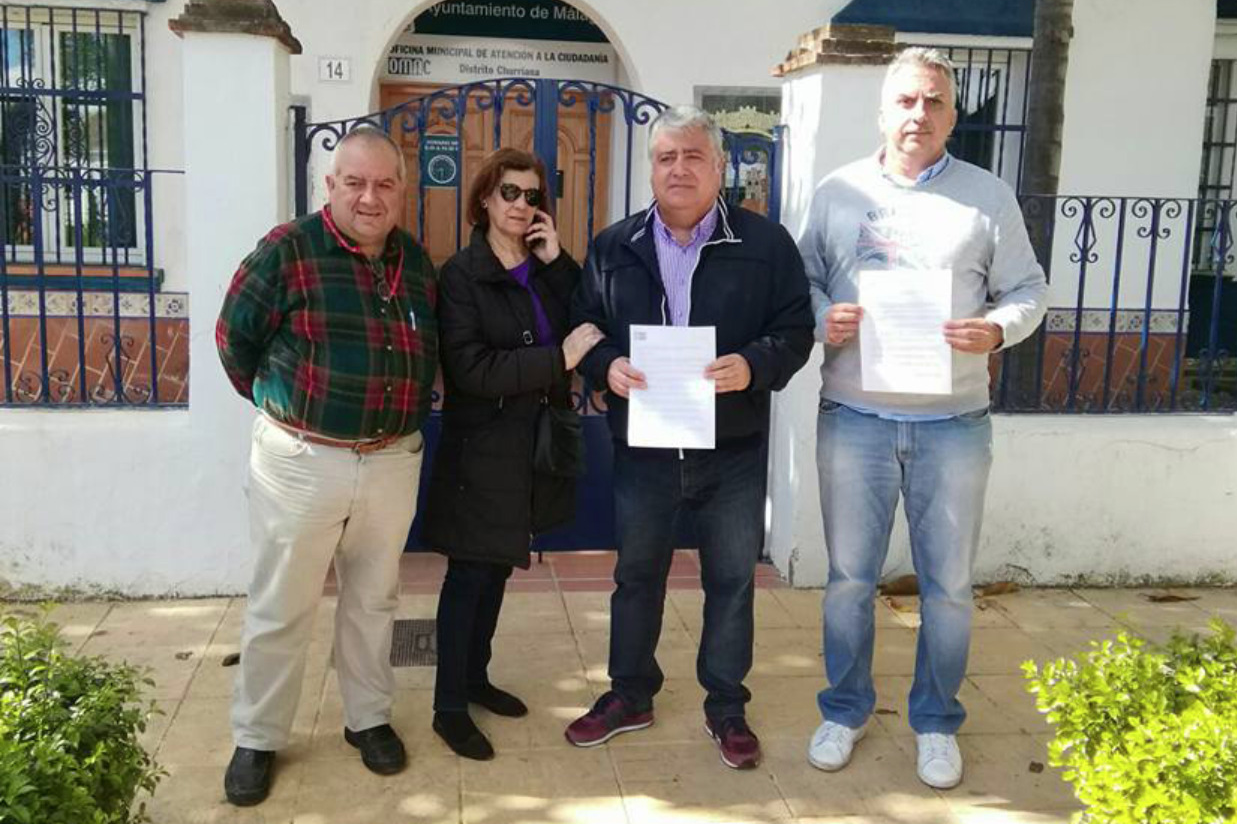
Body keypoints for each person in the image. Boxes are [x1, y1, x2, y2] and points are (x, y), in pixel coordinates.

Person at [797, 47, 1048, 788]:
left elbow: (1029, 290)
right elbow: (803, 278)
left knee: (949, 587)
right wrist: (822, 315)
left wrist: (995, 329)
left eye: (934, 101)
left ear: (952, 114)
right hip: (854, 417)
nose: (919, 114)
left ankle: (936, 722)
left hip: (954, 426)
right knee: (849, 579)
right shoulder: (840, 192)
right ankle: (845, 709)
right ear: (883, 111)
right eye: (906, 100)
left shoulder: (987, 196)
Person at [565, 106, 814, 770]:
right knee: (635, 576)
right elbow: (584, 327)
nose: (678, 168)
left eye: (693, 155)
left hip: (731, 451)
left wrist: (754, 364)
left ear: (719, 166)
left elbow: (795, 330)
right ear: (652, 168)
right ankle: (630, 693)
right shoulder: (614, 246)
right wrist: (605, 366)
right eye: (666, 157)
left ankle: (726, 704)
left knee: (730, 579)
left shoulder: (766, 244)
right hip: (644, 450)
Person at [215, 127, 437, 805]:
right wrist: (285, 408)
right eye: (355, 183)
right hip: (303, 461)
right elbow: (234, 339)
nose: (370, 197)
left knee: (375, 599)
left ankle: (367, 718)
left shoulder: (415, 261)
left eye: (384, 184)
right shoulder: (288, 250)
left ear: (402, 190)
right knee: (283, 603)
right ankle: (258, 735)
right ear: (330, 186)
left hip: (392, 459)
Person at [423, 148, 603, 760]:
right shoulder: (461, 275)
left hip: (531, 444)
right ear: (484, 199)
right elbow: (472, 370)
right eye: (509, 193)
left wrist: (559, 262)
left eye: (532, 196)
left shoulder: (541, 269)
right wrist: (558, 360)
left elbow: (587, 317)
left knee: (499, 566)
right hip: (482, 449)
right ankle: (448, 708)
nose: (521, 205)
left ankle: (475, 678)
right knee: (470, 573)